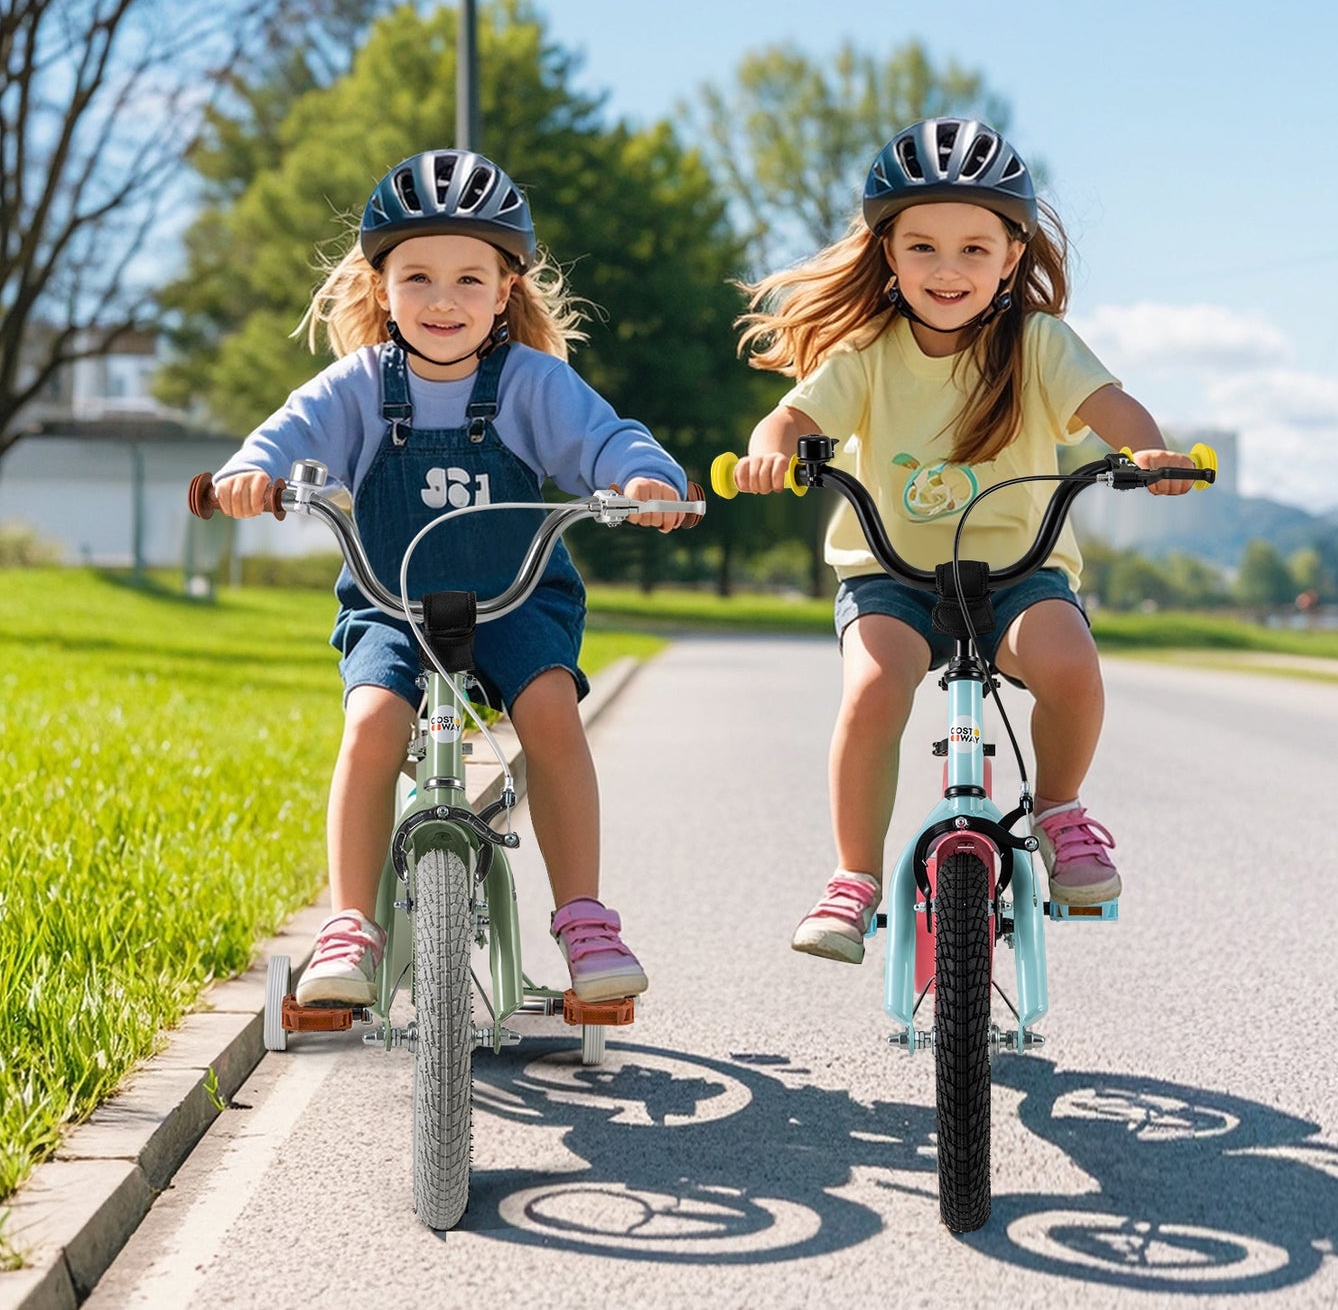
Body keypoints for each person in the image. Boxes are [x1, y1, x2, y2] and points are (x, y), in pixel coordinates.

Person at [213, 148, 687, 1005]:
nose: (442, 300)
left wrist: (643, 478)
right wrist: (253, 471)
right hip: (392, 602)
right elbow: (286, 432)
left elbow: (607, 438)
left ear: (505, 288)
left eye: (469, 279)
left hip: (514, 596)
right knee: (369, 725)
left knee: (550, 714)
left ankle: (583, 918)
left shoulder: (531, 383)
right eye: (418, 276)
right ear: (381, 284)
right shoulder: (358, 386)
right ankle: (350, 922)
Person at [728, 117, 1196, 963]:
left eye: (975, 250)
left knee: (1070, 664)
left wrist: (1146, 451)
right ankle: (852, 878)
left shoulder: (1037, 344)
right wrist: (771, 454)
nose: (949, 271)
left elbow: (1116, 412)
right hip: (891, 576)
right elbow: (791, 417)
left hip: (1018, 574)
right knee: (873, 689)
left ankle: (1057, 808)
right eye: (924, 249)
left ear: (1012, 255)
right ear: (888, 254)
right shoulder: (866, 351)